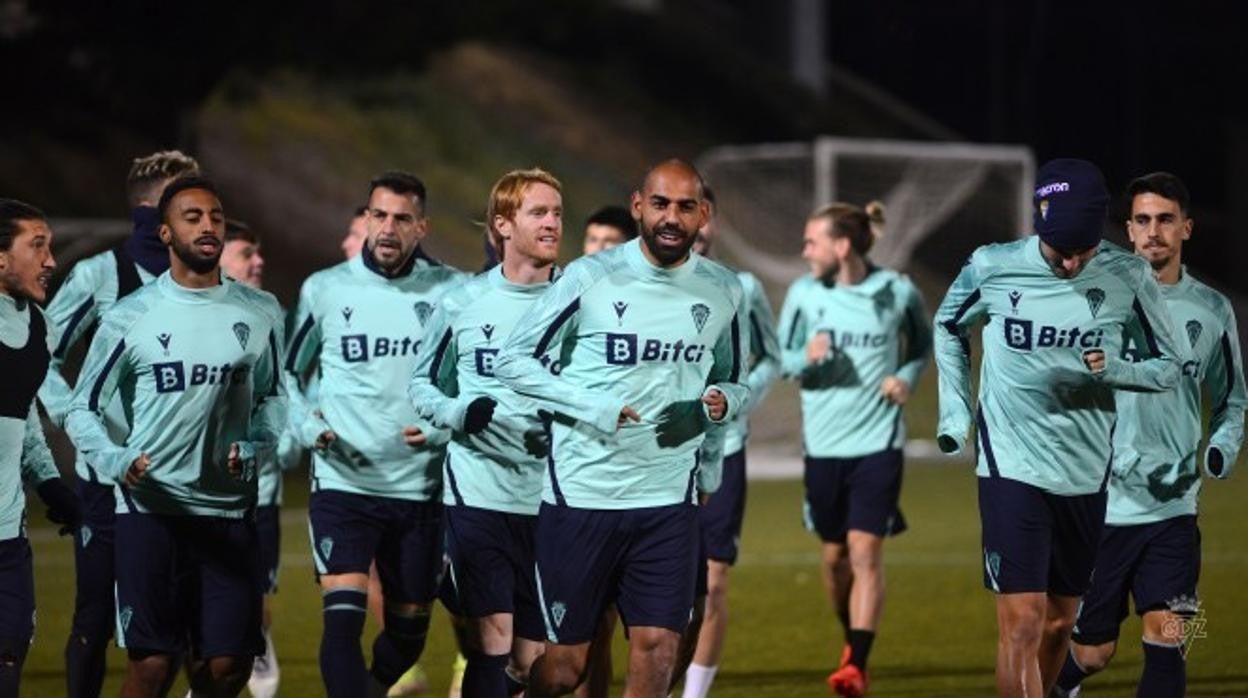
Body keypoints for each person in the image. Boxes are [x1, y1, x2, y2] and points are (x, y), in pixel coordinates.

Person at [495, 159, 750, 698]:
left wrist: (719, 401)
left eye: (686, 206)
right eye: (660, 204)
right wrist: (591, 405)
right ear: (639, 206)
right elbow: (514, 360)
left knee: (659, 646)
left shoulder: (724, 290)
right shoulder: (589, 277)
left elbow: (734, 381)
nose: (671, 217)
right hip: (582, 496)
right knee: (565, 669)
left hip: (665, 501)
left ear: (703, 215)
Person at [933, 159, 1183, 698]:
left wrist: (1116, 370)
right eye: (1058, 251)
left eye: (1082, 251)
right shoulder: (993, 266)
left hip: (1093, 472)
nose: (1070, 264)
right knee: (1022, 622)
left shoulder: (1129, 277)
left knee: (1059, 626)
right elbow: (948, 325)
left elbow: (1169, 367)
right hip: (1011, 461)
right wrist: (955, 414)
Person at [65, 176, 287, 698]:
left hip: (229, 512)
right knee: (153, 666)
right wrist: (115, 459)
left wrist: (257, 444)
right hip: (151, 514)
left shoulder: (260, 311)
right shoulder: (130, 316)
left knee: (230, 665)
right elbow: (82, 407)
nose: (209, 226)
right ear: (165, 233)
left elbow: (274, 399)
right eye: (193, 217)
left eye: (216, 216)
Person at [1054, 173, 1246, 697]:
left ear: (1187, 227)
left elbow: (1233, 400)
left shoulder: (1212, 309)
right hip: (1101, 509)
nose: (1153, 231)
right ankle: (1059, 685)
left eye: (1165, 219)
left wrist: (1221, 447)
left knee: (1172, 634)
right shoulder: (1092, 300)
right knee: (1093, 653)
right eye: (1142, 220)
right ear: (1128, 230)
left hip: (1174, 510)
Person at [285, 171, 463, 698]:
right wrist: (309, 426)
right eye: (378, 215)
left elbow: (473, 383)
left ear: (421, 227)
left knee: (407, 638)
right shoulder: (325, 289)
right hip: (344, 484)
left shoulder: (452, 293)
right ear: (365, 219)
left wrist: (438, 430)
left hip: (419, 489)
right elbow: (288, 377)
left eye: (402, 219)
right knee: (342, 621)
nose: (387, 228)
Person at [38, 149, 200, 698]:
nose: (198, 215)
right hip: (108, 481)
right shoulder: (99, 275)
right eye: (185, 204)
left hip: (184, 483)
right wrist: (75, 416)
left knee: (170, 627)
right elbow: (41, 353)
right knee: (95, 617)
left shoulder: (209, 283)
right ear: (151, 212)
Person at [409, 167, 564, 696]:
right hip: (478, 495)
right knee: (491, 641)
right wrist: (458, 415)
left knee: (534, 661)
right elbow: (422, 385)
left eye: (557, 213)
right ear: (503, 224)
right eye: (538, 212)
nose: (551, 223)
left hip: (554, 500)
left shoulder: (580, 303)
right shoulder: (462, 302)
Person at [775, 200, 931, 697]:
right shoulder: (804, 294)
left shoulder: (896, 290)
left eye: (811, 242)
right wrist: (807, 356)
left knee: (865, 551)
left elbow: (922, 345)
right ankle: (852, 639)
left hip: (878, 442)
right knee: (835, 558)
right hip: (823, 447)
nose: (804, 251)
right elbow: (782, 359)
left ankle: (857, 664)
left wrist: (905, 377)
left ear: (840, 247)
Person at [678, 187, 780, 698]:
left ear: (711, 220)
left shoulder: (744, 287)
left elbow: (771, 356)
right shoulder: (650, 288)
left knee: (714, 582)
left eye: (698, 212)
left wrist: (736, 399)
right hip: (661, 455)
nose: (689, 223)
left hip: (726, 449)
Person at [0, 199, 81, 697]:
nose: (50, 261)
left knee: (9, 658)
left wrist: (54, 487)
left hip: (7, 537)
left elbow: (24, 419)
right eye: (37, 246)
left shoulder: (37, 327)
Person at [218, 218, 293, 698]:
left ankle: (259, 642)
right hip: (200, 494)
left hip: (260, 493)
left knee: (256, 596)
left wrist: (282, 438)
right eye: (247, 252)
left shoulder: (274, 317)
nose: (258, 261)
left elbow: (286, 391)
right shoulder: (190, 317)